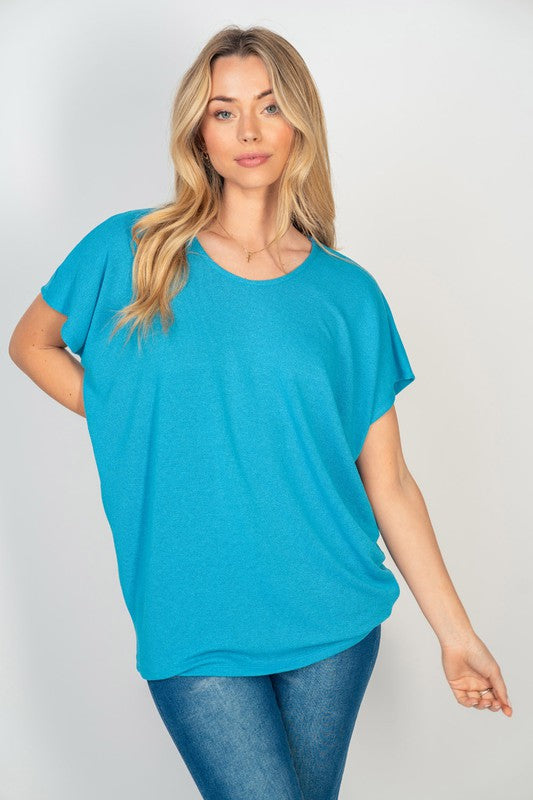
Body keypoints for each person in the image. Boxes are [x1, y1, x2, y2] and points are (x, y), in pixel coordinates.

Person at [9, 23, 512, 800]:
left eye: (269, 106)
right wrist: (127, 415)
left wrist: (457, 635)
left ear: (299, 123)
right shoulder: (131, 250)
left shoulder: (347, 295)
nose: (247, 130)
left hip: (331, 616)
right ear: (198, 133)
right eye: (223, 110)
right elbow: (32, 344)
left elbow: (388, 482)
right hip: (190, 615)